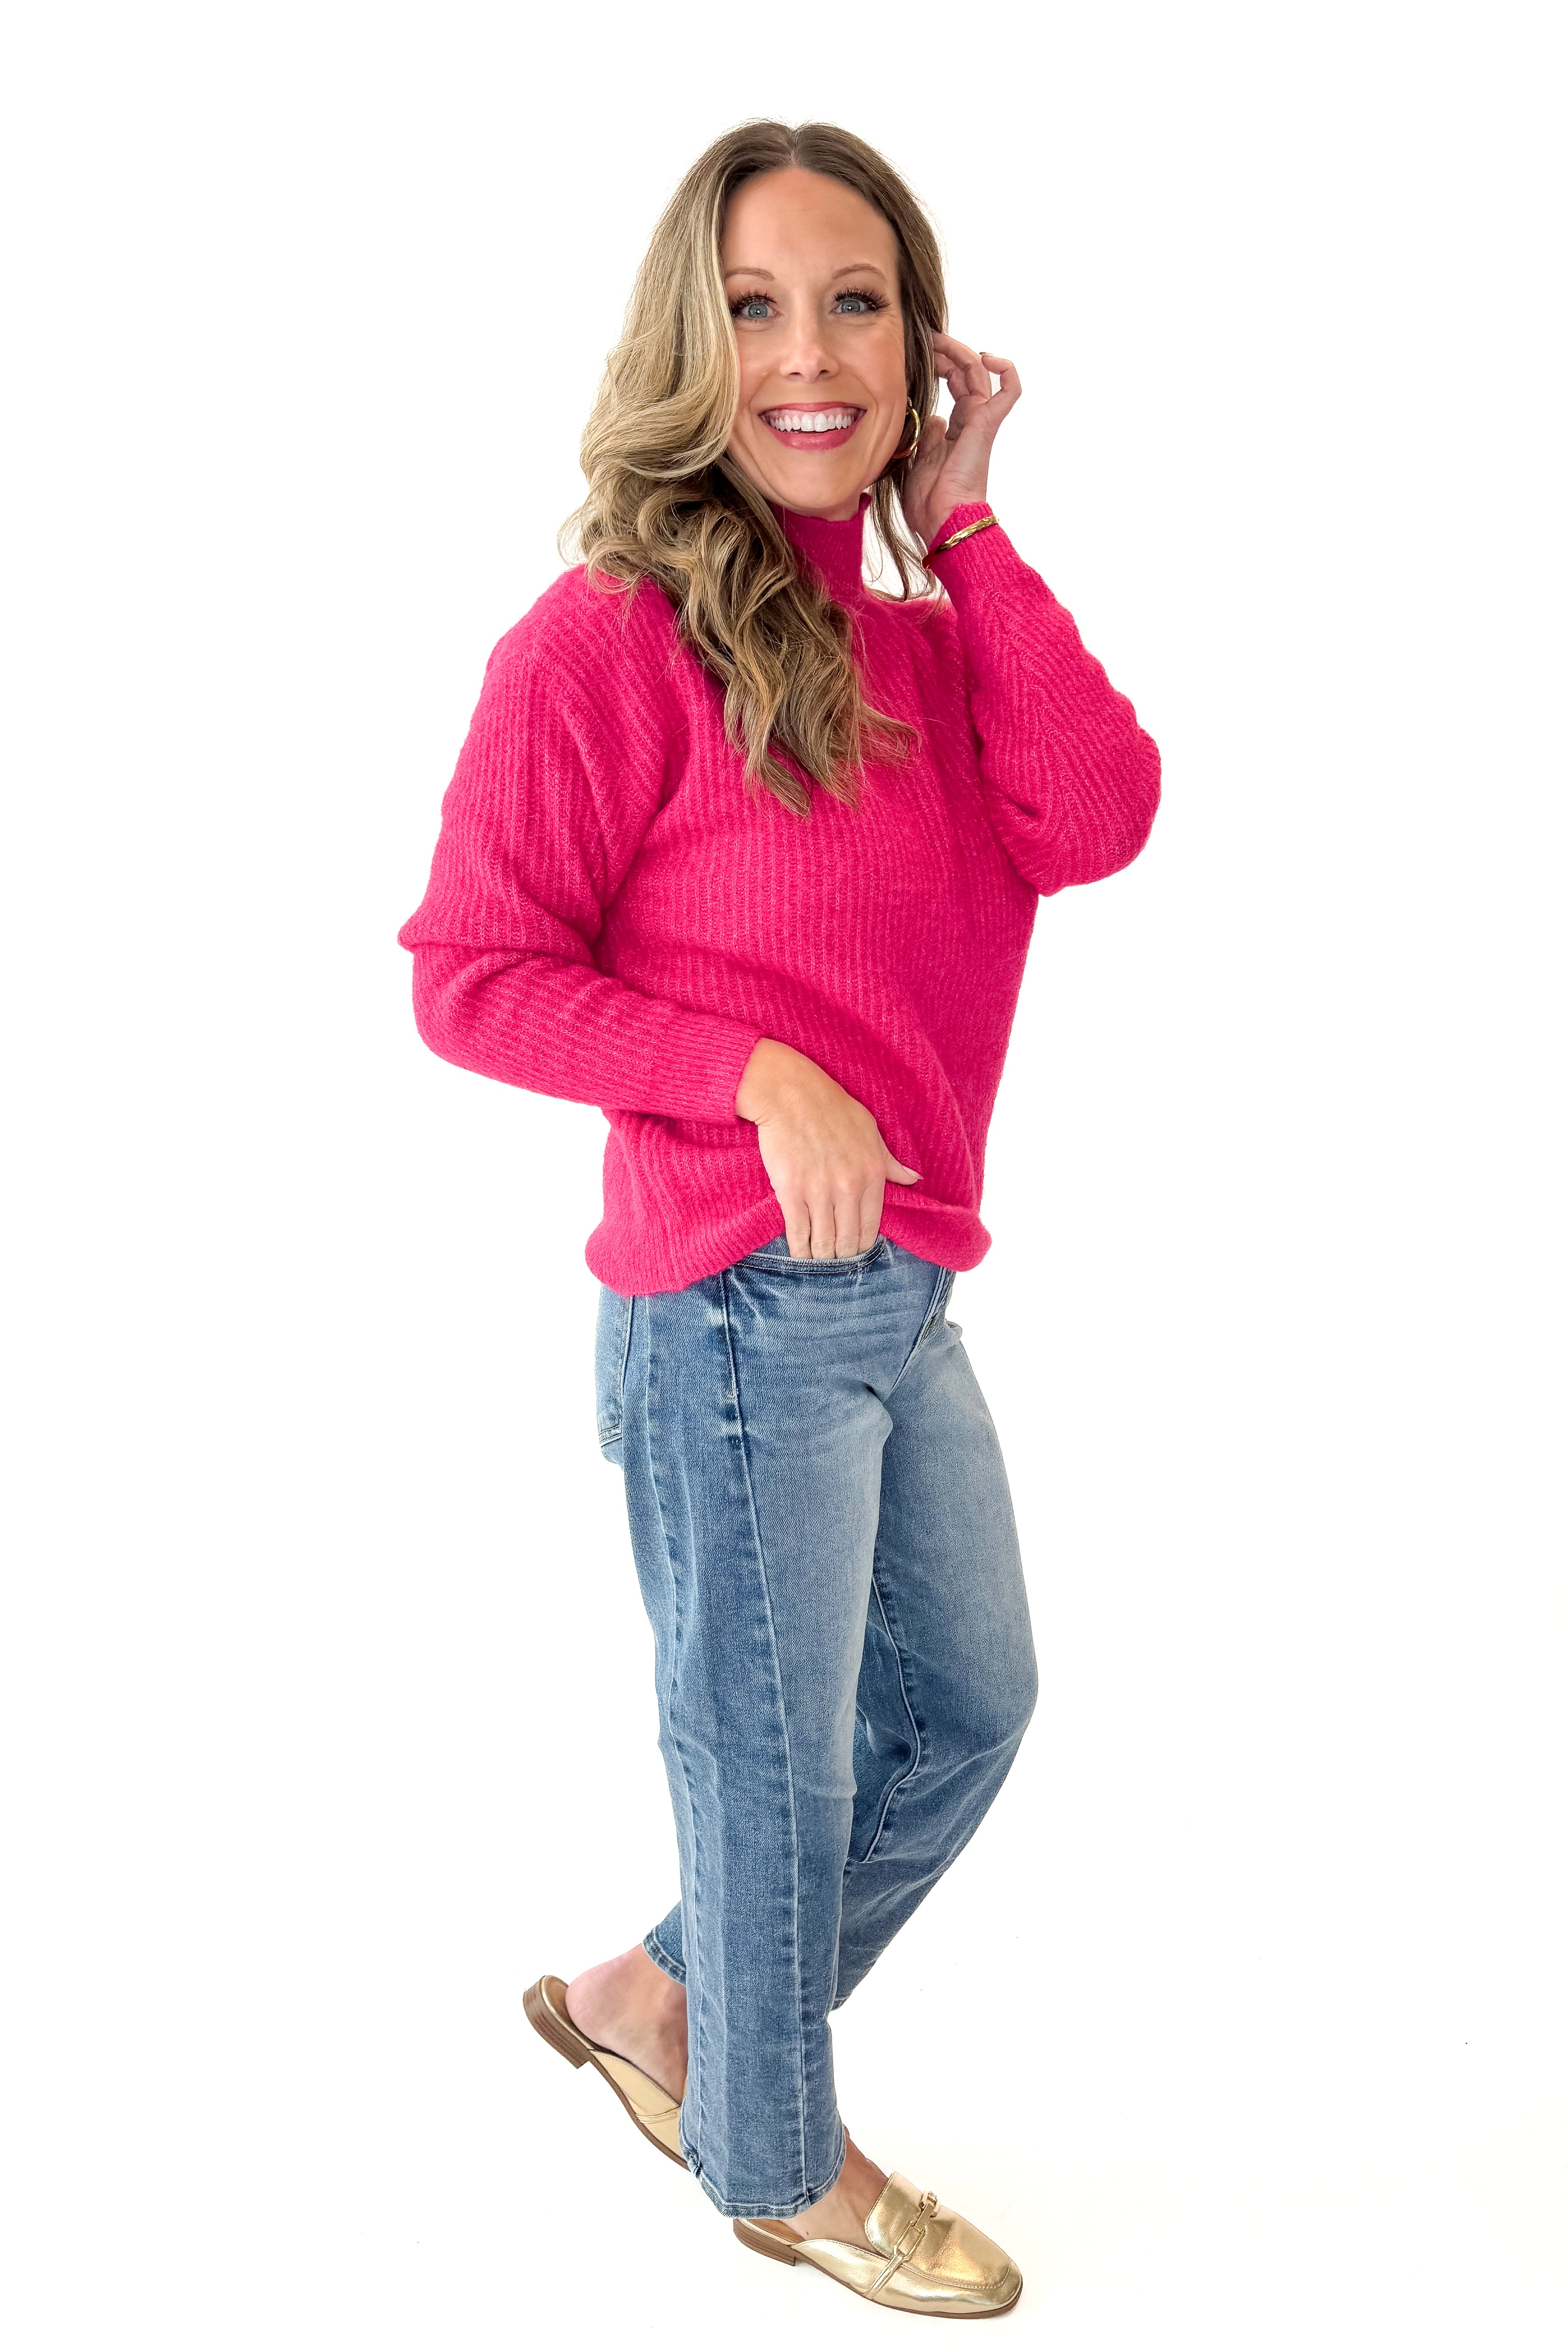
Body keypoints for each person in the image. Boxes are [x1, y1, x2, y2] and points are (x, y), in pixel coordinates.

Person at [399, 118, 1160, 2319]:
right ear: (684, 338)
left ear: (921, 350)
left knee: (967, 1708)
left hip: (904, 1289)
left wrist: (978, 530)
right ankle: (773, 2155)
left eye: (858, 304)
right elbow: (473, 969)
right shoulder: (605, 639)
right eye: (754, 306)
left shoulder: (928, 643)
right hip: (734, 1303)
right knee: (774, 1758)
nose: (808, 354)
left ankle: (662, 1994)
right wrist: (751, 1065)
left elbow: (1098, 816)